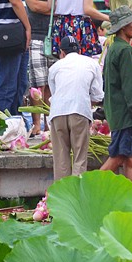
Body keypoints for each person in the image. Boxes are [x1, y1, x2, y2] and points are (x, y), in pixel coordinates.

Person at [99, 6, 132, 183]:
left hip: (115, 111)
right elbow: (129, 86)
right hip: (125, 115)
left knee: (129, 159)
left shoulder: (113, 48)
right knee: (119, 156)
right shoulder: (125, 51)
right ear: (123, 27)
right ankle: (90, 188)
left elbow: (115, 84)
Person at [48, 36, 104, 180]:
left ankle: (62, 198)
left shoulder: (55, 67)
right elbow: (98, 96)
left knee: (61, 158)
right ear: (79, 50)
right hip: (80, 111)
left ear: (62, 52)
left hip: (57, 113)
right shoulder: (91, 63)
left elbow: (55, 94)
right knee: (79, 158)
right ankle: (77, 196)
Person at [22, 0, 59, 136]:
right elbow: (33, 7)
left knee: (53, 82)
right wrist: (53, 5)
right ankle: (38, 124)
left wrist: (42, 4)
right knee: (37, 83)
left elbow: (45, 6)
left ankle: (50, 121)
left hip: (56, 37)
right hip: (36, 36)